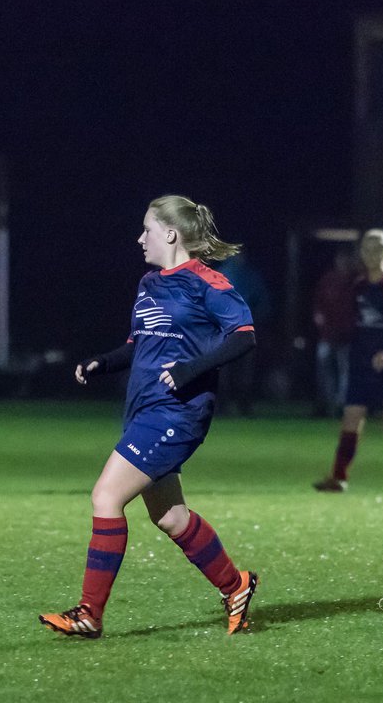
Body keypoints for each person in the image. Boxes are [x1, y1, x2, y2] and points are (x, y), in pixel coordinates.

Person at [39, 195, 258, 639]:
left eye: (148, 231)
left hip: (178, 413)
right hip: (144, 411)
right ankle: (237, 585)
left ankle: (89, 613)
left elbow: (244, 336)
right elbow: (142, 342)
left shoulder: (207, 283)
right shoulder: (150, 283)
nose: (140, 239)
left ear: (171, 234)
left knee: (105, 497)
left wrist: (189, 370)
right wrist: (105, 361)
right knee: (171, 517)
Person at [313, 230, 383, 494]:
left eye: (378, 248)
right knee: (351, 417)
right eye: (367, 248)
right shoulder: (358, 285)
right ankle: (339, 478)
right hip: (362, 360)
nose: (372, 254)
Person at [216, 252, 270, 416]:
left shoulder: (220, 274)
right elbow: (263, 302)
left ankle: (228, 404)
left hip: (229, 330)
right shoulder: (236, 274)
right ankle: (237, 404)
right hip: (236, 329)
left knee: (228, 368)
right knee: (237, 369)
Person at [311, 247, 358, 418]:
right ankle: (327, 402)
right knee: (325, 370)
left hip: (346, 335)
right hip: (328, 334)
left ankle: (340, 405)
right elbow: (318, 305)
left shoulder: (356, 283)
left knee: (345, 371)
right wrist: (319, 319)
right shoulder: (328, 281)